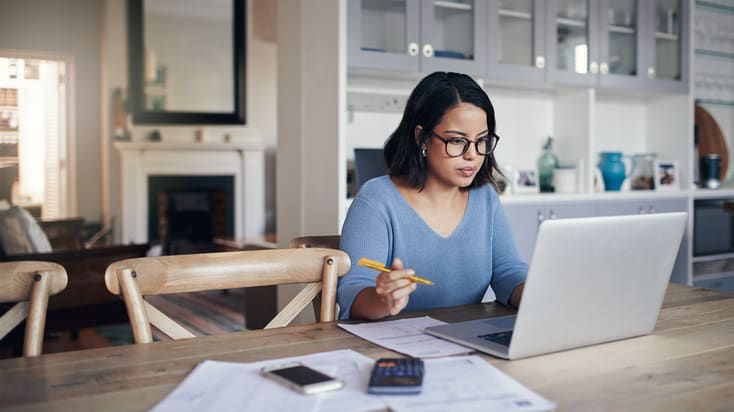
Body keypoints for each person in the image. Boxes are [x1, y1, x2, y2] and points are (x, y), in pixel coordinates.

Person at [337, 72, 527, 320]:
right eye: (457, 141)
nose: (472, 155)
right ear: (422, 138)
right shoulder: (377, 200)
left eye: (482, 141)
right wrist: (382, 299)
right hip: (389, 350)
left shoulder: (485, 198)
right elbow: (353, 291)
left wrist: (538, 293)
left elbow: (507, 272)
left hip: (463, 343)